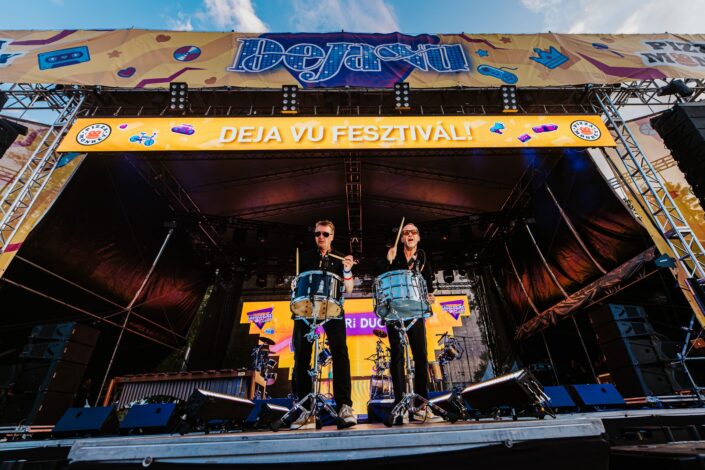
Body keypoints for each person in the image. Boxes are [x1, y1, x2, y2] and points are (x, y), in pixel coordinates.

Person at [290, 219, 357, 429]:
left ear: (332, 236)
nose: (321, 237)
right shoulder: (304, 257)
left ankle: (344, 406)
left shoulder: (341, 258)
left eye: (325, 234)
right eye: (318, 233)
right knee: (301, 356)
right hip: (306, 308)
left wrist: (347, 271)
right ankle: (305, 410)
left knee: (340, 353)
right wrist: (293, 285)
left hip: (333, 308)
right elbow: (297, 285)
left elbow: (349, 289)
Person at [381, 222, 443, 423]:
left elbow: (429, 289)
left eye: (413, 232)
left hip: (415, 311)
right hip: (394, 311)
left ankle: (421, 406)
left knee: (421, 355)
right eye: (406, 232)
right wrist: (387, 261)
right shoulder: (393, 255)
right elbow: (379, 278)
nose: (409, 235)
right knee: (397, 355)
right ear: (401, 238)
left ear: (418, 237)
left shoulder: (423, 259)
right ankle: (399, 404)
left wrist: (431, 297)